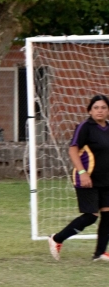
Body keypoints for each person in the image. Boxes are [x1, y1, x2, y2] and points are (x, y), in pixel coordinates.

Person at [48, 94, 109, 262]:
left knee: (108, 215)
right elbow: (73, 149)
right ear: (89, 110)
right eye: (96, 107)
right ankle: (56, 239)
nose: (100, 111)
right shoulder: (85, 127)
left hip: (106, 179)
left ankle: (99, 253)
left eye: (103, 107)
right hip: (87, 178)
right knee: (91, 216)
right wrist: (82, 173)